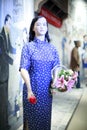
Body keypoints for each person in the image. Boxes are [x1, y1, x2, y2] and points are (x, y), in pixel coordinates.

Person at [19, 16, 60, 130]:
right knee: (32, 122)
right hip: (33, 89)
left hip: (47, 92)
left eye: (44, 24)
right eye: (38, 24)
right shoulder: (28, 47)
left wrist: (55, 81)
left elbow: (56, 66)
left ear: (47, 28)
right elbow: (23, 68)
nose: (41, 27)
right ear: (33, 28)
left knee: (45, 121)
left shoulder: (52, 48)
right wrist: (29, 90)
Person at [0, 14, 16, 130]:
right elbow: (3, 54)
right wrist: (13, 61)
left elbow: (10, 48)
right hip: (1, 73)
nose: (10, 26)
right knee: (2, 100)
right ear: (5, 23)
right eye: (9, 23)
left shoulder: (7, 34)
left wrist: (20, 48)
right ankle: (3, 124)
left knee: (4, 100)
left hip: (5, 73)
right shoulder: (0, 37)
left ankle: (5, 123)